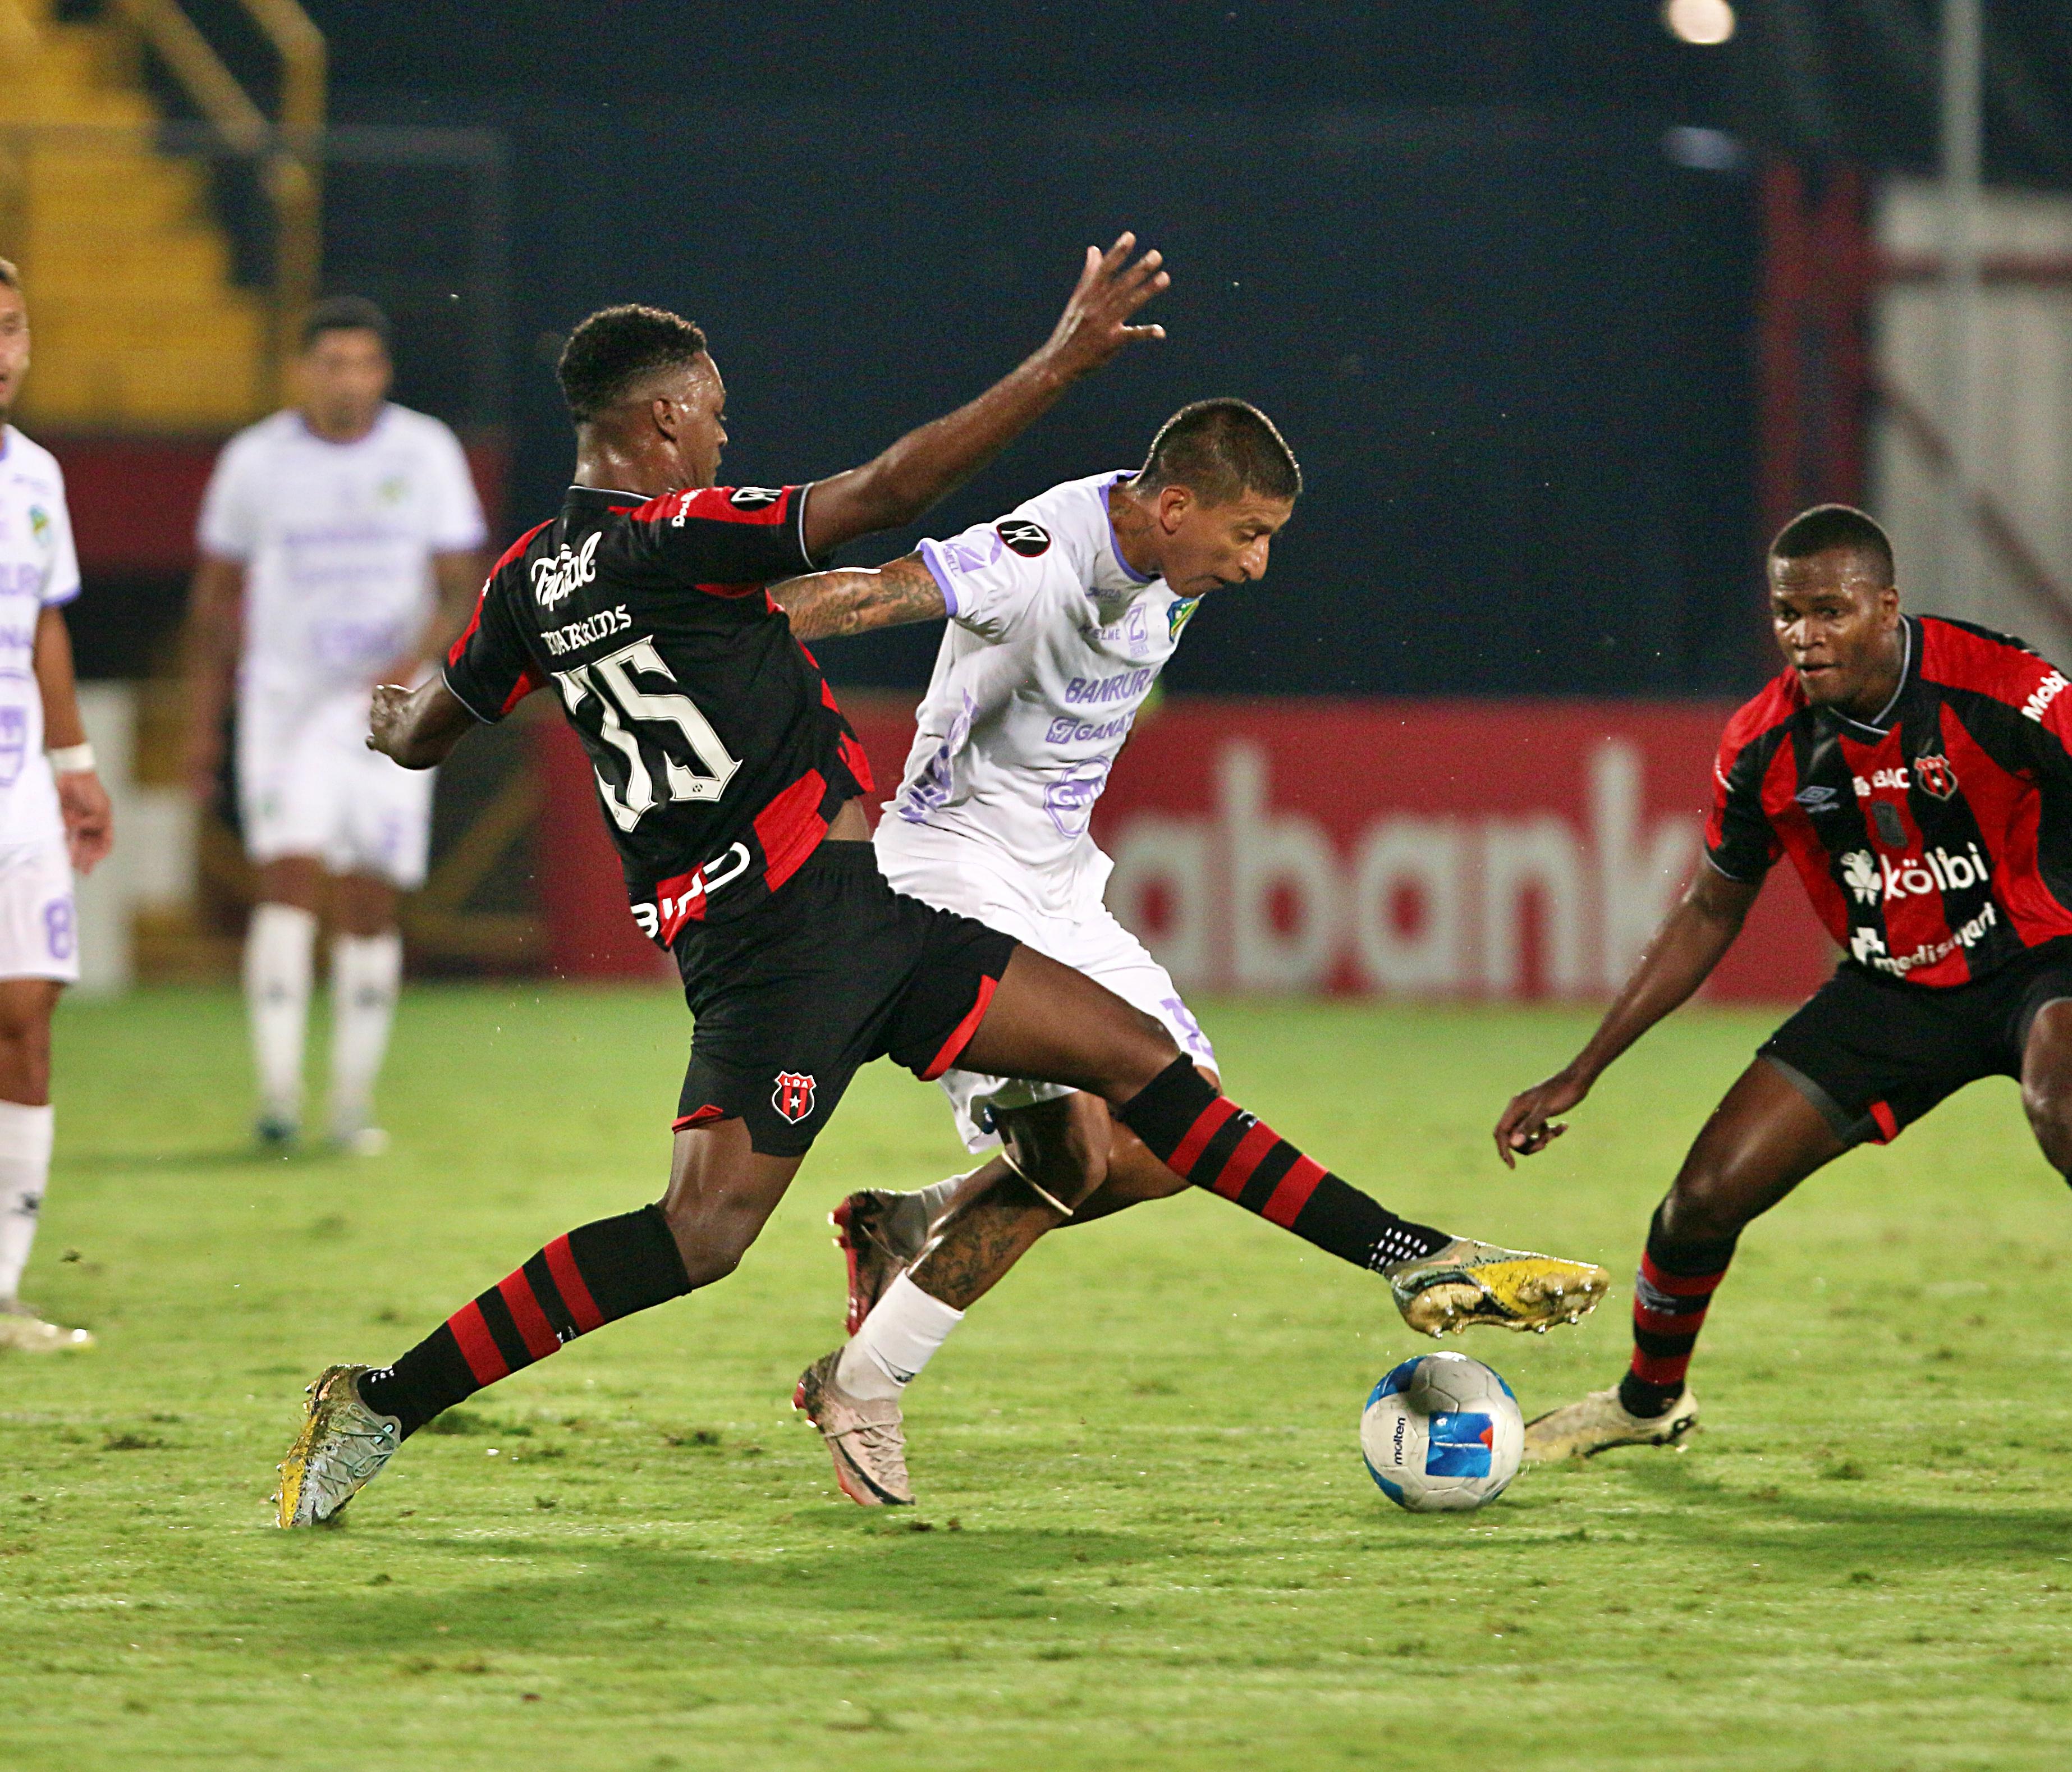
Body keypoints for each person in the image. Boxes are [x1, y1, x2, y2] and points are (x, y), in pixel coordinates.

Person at [274, 239, 1598, 1524]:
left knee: (1141, 1065)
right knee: (697, 1237)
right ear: (667, 416)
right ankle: (383, 1397)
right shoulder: (677, 533)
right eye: (718, 416)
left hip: (865, 917)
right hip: (777, 943)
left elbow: (424, 730)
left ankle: (1409, 1253)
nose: (727, 439)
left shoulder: (525, 583)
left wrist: (388, 710)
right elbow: (882, 494)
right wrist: (1061, 364)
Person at [776, 398, 1602, 1455]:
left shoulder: (1167, 562)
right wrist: (689, 621)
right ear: (1173, 506)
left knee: (1176, 1135)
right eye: (1247, 535)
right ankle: (861, 1384)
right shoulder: (1038, 555)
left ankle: (906, 1219)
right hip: (952, 874)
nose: (1258, 565)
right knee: (1071, 1147)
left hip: (1061, 883)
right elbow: (876, 594)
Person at [1495, 503, 2072, 1491]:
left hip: (2053, 951)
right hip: (1896, 988)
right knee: (1698, 1201)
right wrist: (1581, 1070)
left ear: (1886, 606)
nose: (1804, 636)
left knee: (2070, 1109)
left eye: (1829, 611)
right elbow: (1705, 914)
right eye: (1785, 614)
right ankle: (1647, 1405)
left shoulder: (1996, 682)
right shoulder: (1763, 745)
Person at [186, 297, 489, 1153]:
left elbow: (458, 581)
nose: (346, 378)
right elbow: (215, 594)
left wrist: (414, 664)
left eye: (362, 363)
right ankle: (278, 1095)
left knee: (367, 897)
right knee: (286, 879)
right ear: (304, 371)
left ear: (382, 374)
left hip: (392, 711)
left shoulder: (423, 451)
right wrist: (212, 715)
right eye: (331, 362)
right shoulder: (256, 460)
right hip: (286, 702)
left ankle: (351, 1103)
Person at [0, 258, 114, 1352]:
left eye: (12, 330)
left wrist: (74, 759)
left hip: (20, 787)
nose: (1, 355)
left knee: (28, 1019)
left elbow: (43, 623)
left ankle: (2, 1291)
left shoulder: (35, 475)